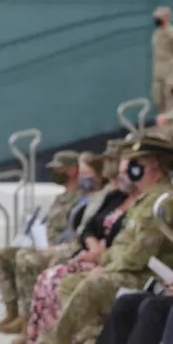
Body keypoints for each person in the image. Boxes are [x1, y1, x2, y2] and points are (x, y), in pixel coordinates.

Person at [40, 136, 173, 344]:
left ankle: (52, 341)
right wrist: (103, 261)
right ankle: (89, 339)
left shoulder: (163, 200)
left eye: (138, 162)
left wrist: (108, 268)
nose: (131, 167)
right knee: (69, 283)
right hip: (123, 267)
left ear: (155, 164)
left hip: (144, 275)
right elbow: (121, 242)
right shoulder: (144, 197)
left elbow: (139, 254)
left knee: (93, 285)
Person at [23, 157, 135, 343]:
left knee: (61, 281)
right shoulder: (116, 197)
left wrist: (101, 256)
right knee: (48, 278)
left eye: (126, 172)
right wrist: (94, 247)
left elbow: (130, 248)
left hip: (112, 263)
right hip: (94, 253)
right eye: (120, 172)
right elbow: (88, 228)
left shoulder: (148, 205)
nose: (121, 177)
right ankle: (35, 336)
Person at [0, 150, 83, 334]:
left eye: (59, 168)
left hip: (64, 249)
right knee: (3, 255)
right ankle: (12, 313)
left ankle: (27, 322)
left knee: (27, 259)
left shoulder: (81, 198)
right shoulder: (60, 197)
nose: (55, 172)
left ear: (72, 170)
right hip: (46, 245)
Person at [152, 7, 173, 115]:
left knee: (170, 104)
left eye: (158, 17)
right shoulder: (156, 34)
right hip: (158, 73)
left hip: (169, 73)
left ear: (166, 17)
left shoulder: (171, 33)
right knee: (159, 100)